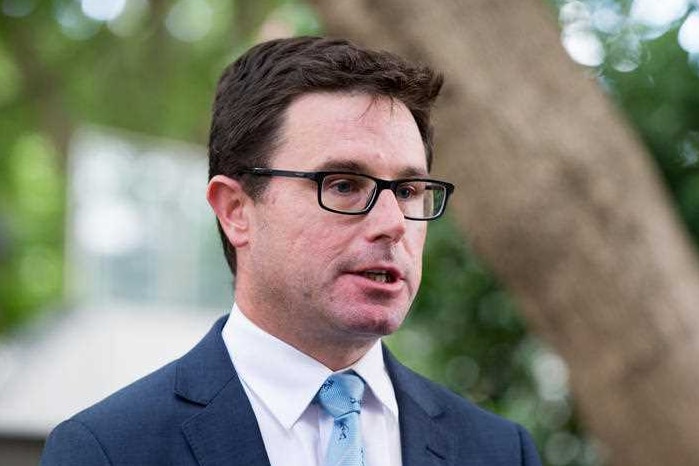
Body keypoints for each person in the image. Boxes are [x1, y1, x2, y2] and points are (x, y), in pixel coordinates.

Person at [41, 36, 541, 466]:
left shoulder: (498, 450)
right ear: (236, 209)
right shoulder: (109, 451)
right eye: (344, 184)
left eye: (409, 192)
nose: (392, 223)